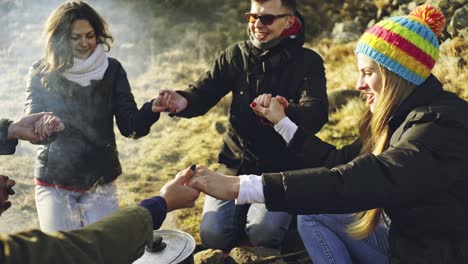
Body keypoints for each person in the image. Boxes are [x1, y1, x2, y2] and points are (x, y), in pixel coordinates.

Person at [186, 5, 468, 263]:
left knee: (284, 224)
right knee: (309, 215)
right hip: (407, 239)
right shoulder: (401, 116)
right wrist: (283, 123)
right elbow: (337, 159)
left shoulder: (442, 125)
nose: (359, 84)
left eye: (368, 73)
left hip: (429, 252)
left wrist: (243, 186)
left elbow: (363, 177)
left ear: (398, 74)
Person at [153, 0, 328, 250]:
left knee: (263, 234)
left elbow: (317, 113)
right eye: (252, 16)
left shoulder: (308, 61)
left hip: (281, 171)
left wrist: (285, 111)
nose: (257, 24)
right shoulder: (236, 54)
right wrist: (183, 100)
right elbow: (204, 91)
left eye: (267, 18)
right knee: (213, 236)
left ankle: (293, 220)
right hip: (234, 165)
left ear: (289, 20)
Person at [24, 1, 161, 232]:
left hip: (101, 180)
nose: (85, 43)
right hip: (54, 180)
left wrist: (152, 109)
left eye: (90, 35)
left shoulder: (113, 70)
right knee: (62, 253)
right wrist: (43, 125)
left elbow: (130, 127)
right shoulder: (41, 72)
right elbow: (31, 121)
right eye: (75, 37)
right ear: (59, 37)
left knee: (104, 251)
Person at [0, 114, 200, 263]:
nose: (7, 181)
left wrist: (9, 129)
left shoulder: (111, 69)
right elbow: (78, 252)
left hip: (101, 176)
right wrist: (159, 205)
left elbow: (131, 122)